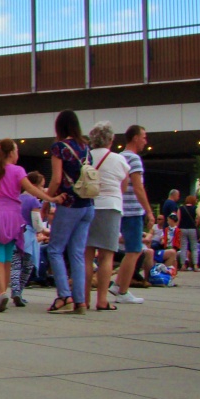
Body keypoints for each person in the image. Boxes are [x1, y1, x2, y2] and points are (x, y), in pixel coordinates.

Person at [0, 139, 62, 312]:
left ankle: (1, 292)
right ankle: (7, 292)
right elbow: (31, 189)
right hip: (13, 216)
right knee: (9, 255)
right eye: (16, 150)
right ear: (11, 153)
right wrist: (50, 198)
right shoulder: (18, 171)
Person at [45, 110, 95, 313]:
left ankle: (64, 295)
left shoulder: (59, 148)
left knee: (55, 249)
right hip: (88, 205)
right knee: (77, 253)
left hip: (68, 204)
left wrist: (48, 199)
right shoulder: (85, 146)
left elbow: (57, 179)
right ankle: (80, 300)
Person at [82, 122, 131, 312]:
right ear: (110, 139)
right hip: (110, 207)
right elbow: (124, 186)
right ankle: (102, 300)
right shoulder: (118, 160)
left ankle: (83, 298)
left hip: (88, 205)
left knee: (86, 255)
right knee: (106, 255)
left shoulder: (85, 158)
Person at [109, 125, 155, 305]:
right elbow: (138, 187)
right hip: (133, 210)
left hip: (120, 208)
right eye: (143, 137)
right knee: (134, 250)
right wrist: (149, 211)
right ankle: (123, 291)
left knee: (130, 249)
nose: (145, 141)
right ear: (135, 138)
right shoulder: (134, 159)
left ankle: (118, 283)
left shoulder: (119, 157)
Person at [13, 171, 45, 301]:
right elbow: (37, 222)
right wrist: (42, 230)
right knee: (27, 266)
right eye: (41, 186)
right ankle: (19, 291)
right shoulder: (34, 201)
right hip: (28, 235)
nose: (42, 189)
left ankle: (14, 290)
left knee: (15, 264)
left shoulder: (16, 199)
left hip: (14, 234)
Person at [177, 195, 200, 270]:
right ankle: (195, 265)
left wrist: (177, 228)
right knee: (194, 247)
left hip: (182, 228)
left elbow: (178, 219)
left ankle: (183, 265)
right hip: (192, 228)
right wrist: (197, 223)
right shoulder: (195, 208)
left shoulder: (181, 208)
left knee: (183, 247)